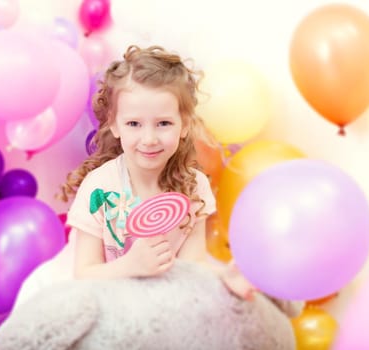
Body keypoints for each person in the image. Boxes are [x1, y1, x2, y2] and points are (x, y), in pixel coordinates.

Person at [60, 45, 256, 299]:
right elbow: (84, 274)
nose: (149, 139)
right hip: (110, 296)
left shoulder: (194, 187)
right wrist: (130, 266)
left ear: (184, 125)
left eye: (163, 123)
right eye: (134, 124)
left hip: (164, 300)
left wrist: (222, 279)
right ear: (115, 125)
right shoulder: (99, 187)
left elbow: (192, 266)